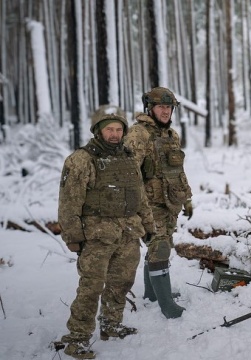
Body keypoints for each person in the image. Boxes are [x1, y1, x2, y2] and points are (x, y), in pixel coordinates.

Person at [57, 105, 155, 359]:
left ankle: (111, 326)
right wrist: (73, 237)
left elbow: (140, 195)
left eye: (119, 129)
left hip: (128, 233)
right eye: (109, 129)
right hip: (97, 236)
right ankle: (76, 339)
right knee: (91, 287)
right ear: (98, 131)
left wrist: (149, 227)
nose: (114, 134)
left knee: (120, 284)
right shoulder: (81, 159)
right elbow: (69, 203)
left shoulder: (128, 156)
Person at [124, 87, 192, 319]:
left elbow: (178, 171)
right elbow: (128, 174)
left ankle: (153, 296)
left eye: (168, 107)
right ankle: (167, 306)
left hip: (170, 203)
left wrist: (187, 198)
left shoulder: (171, 135)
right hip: (149, 205)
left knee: (158, 249)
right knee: (160, 248)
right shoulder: (138, 134)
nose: (165, 111)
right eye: (161, 107)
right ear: (150, 108)